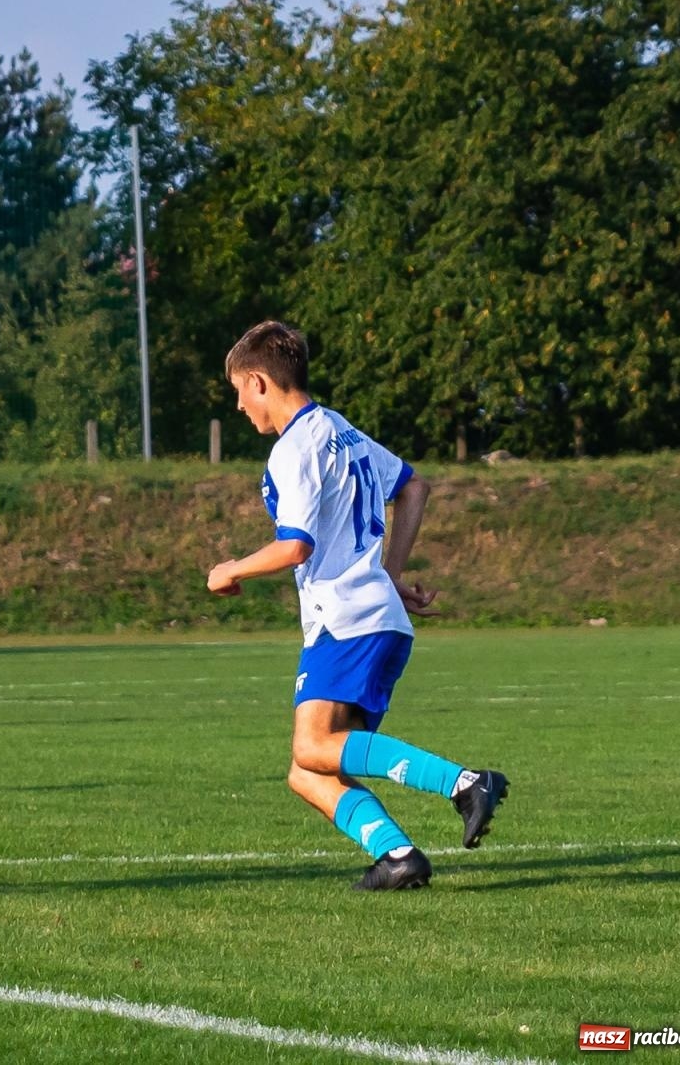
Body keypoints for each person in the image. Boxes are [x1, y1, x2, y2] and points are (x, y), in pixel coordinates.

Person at [205, 321, 509, 890]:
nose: (240, 406)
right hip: (374, 616)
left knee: (312, 745)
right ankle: (398, 857)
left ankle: (465, 783)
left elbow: (296, 546)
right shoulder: (340, 430)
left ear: (259, 381)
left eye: (239, 391)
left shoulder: (294, 448)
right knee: (307, 770)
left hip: (344, 620)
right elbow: (413, 486)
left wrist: (230, 569)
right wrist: (388, 578)